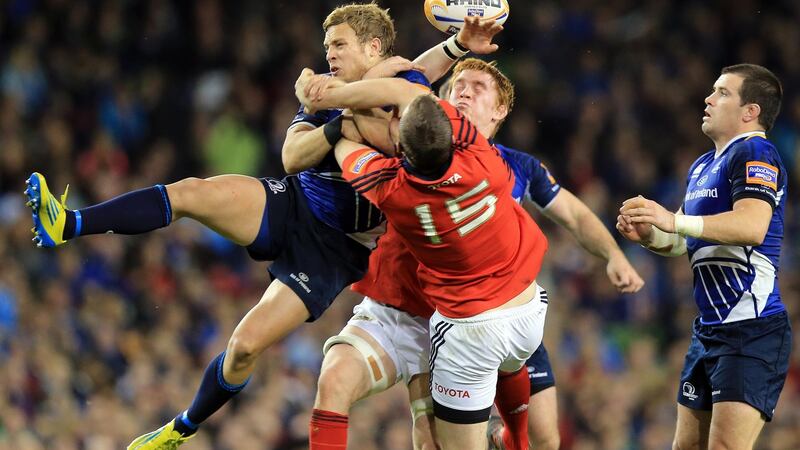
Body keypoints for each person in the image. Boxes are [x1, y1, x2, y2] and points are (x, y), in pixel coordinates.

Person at [23, 4, 501, 449]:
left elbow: (396, 138)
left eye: (340, 45)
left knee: (244, 347)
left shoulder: (399, 85)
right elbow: (293, 157)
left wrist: (342, 109)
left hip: (335, 251)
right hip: (292, 203)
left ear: (374, 49)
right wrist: (341, 124)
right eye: (327, 46)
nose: (329, 55)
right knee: (191, 191)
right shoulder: (326, 91)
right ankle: (69, 222)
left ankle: (182, 427)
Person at [304, 58, 644, 450]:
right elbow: (407, 98)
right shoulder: (430, 148)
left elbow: (575, 214)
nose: (462, 90)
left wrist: (611, 254)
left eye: (477, 87)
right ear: (441, 103)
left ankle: (510, 436)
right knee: (428, 436)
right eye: (456, 85)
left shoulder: (411, 172)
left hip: (483, 311)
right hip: (418, 310)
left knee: (545, 440)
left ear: (501, 110)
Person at [297, 70, 550, 450]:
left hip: (467, 326)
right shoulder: (487, 160)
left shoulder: (391, 188)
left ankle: (517, 438)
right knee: (335, 380)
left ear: (401, 148)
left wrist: (329, 105)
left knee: (439, 443)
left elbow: (347, 148)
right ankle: (517, 438)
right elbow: (406, 92)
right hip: (523, 308)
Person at [616, 63, 792, 450]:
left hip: (752, 328)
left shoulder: (755, 150)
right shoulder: (701, 167)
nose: (709, 99)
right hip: (709, 330)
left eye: (723, 92)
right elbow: (683, 242)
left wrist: (671, 220)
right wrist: (649, 235)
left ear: (751, 111)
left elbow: (752, 226)